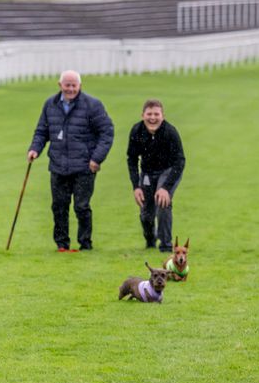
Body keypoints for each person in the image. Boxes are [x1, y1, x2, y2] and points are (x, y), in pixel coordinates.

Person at [28, 70, 114, 252]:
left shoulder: (93, 105)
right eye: (67, 85)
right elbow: (42, 131)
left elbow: (107, 132)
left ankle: (85, 243)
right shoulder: (50, 104)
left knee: (82, 207)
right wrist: (35, 149)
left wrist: (97, 158)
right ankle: (62, 244)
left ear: (80, 86)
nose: (70, 89)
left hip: (85, 166)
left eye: (74, 85)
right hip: (58, 165)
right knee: (58, 206)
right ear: (60, 85)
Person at [126, 99, 186, 252]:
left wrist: (166, 187)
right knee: (146, 213)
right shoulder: (137, 131)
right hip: (147, 173)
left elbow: (180, 161)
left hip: (168, 170)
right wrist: (136, 186)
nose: (153, 118)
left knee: (163, 201)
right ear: (143, 115)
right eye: (149, 114)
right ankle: (150, 240)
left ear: (162, 116)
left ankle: (165, 245)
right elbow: (132, 160)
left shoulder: (170, 132)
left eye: (156, 114)